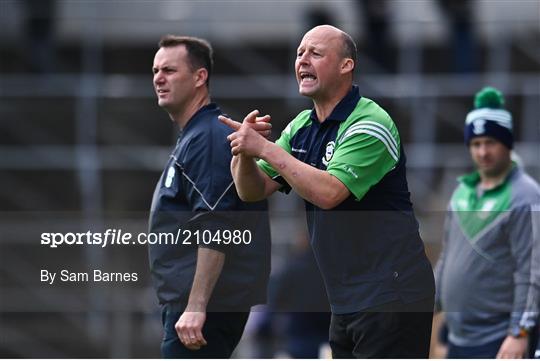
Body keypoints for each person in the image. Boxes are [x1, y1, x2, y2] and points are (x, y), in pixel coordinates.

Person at [219, 25, 435, 358]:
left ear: (346, 65)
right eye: (299, 53)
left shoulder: (370, 123)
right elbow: (252, 191)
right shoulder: (301, 126)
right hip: (344, 298)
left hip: (392, 292)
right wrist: (244, 155)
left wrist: (264, 148)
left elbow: (330, 192)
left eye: (315, 53)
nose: (302, 59)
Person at [147, 35, 271, 358]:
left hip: (203, 311)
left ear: (200, 77)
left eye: (170, 70)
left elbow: (215, 222)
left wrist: (196, 305)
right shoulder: (195, 135)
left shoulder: (208, 137)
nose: (159, 77)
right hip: (193, 309)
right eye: (156, 70)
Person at [435, 87, 540, 358]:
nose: (483, 152)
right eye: (476, 144)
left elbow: (531, 270)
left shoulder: (525, 195)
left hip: (499, 340)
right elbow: (447, 261)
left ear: (507, 144)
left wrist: (519, 332)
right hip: (458, 338)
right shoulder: (462, 193)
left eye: (491, 142)